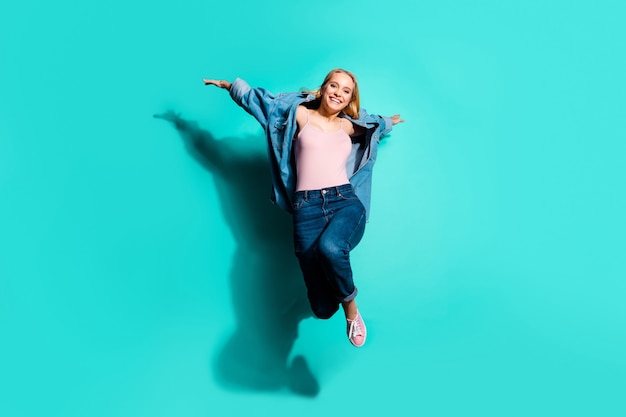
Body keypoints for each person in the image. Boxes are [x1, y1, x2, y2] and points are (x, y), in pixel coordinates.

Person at [203, 69, 403, 347]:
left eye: (346, 91)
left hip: (344, 202)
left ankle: (352, 311)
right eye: (334, 85)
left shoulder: (347, 126)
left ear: (349, 100)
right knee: (322, 309)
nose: (338, 93)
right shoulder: (299, 116)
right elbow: (261, 103)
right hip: (306, 210)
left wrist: (389, 122)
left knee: (331, 248)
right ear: (323, 89)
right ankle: (335, 287)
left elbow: (374, 126)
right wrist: (230, 86)